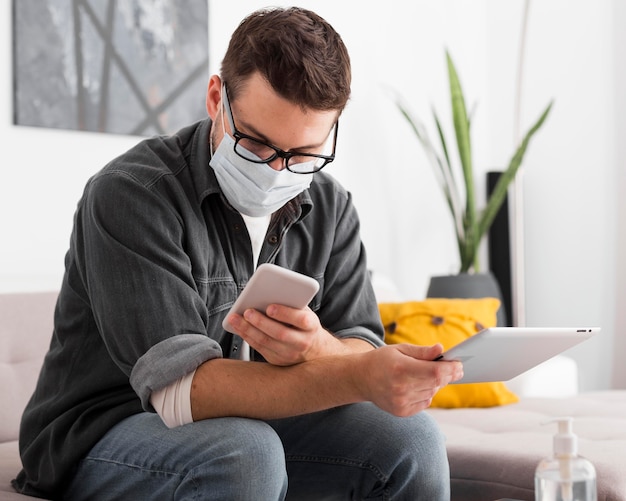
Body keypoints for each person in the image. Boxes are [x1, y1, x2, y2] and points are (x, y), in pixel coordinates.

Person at [13, 6, 463, 500]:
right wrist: (353, 373)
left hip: (246, 426)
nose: (277, 172)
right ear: (216, 99)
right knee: (245, 455)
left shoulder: (330, 206)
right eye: (257, 144)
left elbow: (359, 343)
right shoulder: (131, 194)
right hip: (105, 429)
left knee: (412, 442)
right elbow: (181, 393)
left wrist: (320, 350)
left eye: (304, 155)